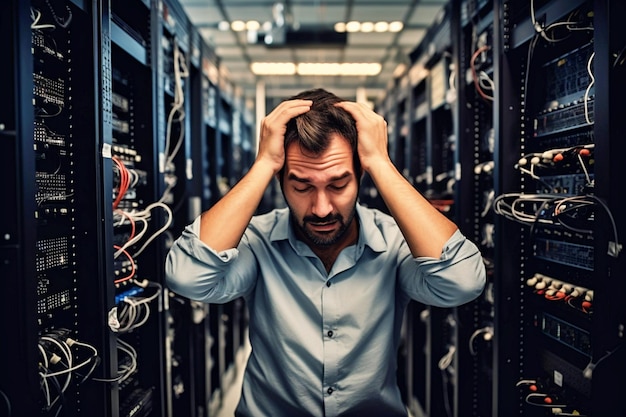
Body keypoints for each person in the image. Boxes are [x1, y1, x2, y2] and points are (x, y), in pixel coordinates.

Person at [165, 88, 486, 417]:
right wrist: (263, 164)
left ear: (360, 175)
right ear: (280, 180)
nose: (321, 209)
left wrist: (380, 162)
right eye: (302, 186)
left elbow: (462, 282)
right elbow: (188, 278)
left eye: (338, 185)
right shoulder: (257, 241)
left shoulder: (394, 241)